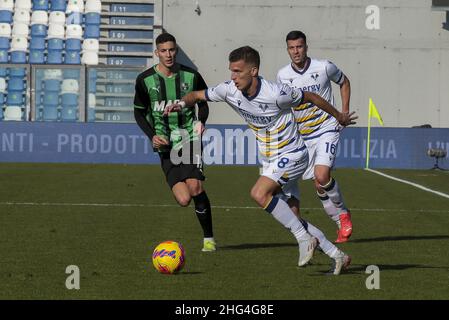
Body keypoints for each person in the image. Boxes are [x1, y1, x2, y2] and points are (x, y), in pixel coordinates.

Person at [164, 46, 357, 274]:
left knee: (259, 193)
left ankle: (304, 239)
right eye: (231, 72)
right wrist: (180, 103)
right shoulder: (229, 91)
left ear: (253, 71)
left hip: (293, 154)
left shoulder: (276, 93)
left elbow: (312, 97)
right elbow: (196, 95)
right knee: (291, 216)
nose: (233, 77)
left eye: (238, 72)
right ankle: (337, 255)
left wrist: (340, 116)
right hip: (270, 159)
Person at [133, 33, 216, 252]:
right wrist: (152, 135)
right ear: (156, 53)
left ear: (176, 50)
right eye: (164, 51)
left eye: (172, 50)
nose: (168, 55)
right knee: (183, 199)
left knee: (195, 185)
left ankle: (209, 239)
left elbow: (204, 102)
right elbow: (139, 113)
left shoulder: (191, 76)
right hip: (165, 147)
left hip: (189, 139)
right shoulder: (144, 80)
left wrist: (201, 120)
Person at [277, 30, 353, 243]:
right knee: (319, 185)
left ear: (306, 47)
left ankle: (344, 213)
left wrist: (343, 112)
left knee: (322, 175)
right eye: (292, 48)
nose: (296, 51)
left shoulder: (324, 67)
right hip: (303, 136)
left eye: (299, 47)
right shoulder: (283, 75)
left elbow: (344, 82)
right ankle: (340, 224)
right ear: (288, 50)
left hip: (327, 128)